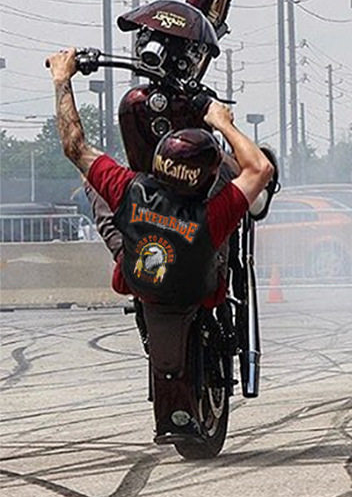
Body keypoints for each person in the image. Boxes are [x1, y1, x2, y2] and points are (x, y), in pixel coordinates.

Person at [46, 48, 275, 311]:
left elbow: (74, 146)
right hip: (201, 293)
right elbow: (260, 168)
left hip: (137, 281)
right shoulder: (213, 215)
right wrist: (223, 123)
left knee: (91, 179)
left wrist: (62, 78)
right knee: (225, 226)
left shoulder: (127, 188)